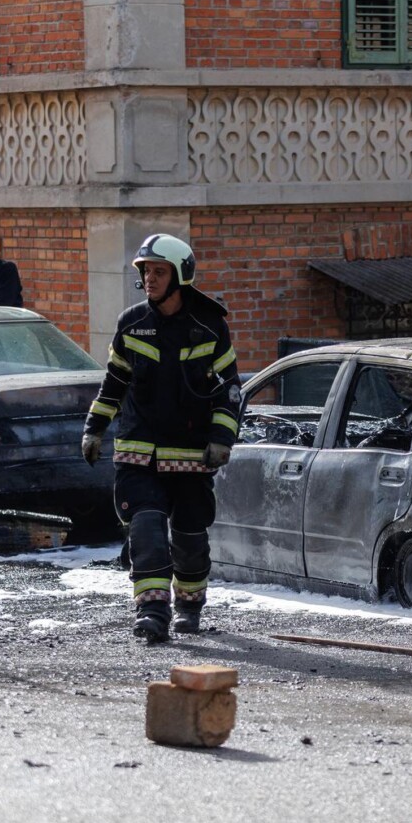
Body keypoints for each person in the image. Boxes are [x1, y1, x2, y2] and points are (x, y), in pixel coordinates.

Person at [80, 234, 241, 644]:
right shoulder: (131, 324)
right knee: (146, 530)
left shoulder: (209, 328)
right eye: (146, 272)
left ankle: (189, 605)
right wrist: (94, 428)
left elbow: (230, 392)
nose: (149, 279)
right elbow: (113, 384)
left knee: (189, 539)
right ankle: (152, 612)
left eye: (159, 272)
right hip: (138, 452)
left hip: (191, 456)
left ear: (180, 275)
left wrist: (222, 438)